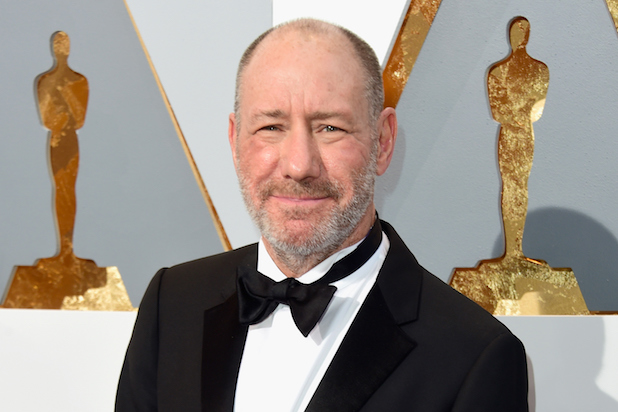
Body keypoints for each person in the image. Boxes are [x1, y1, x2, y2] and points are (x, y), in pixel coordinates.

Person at [116, 18, 529, 412]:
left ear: (382, 142)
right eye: (271, 127)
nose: (299, 165)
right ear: (235, 140)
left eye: (329, 128)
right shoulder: (172, 303)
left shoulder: (473, 357)